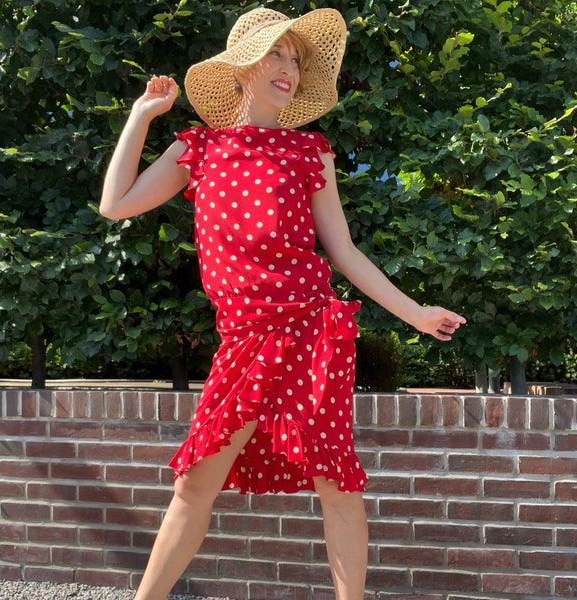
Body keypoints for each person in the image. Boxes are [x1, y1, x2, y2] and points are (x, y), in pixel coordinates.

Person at [100, 7, 466, 600]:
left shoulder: (309, 153)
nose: (287, 68)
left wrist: (415, 314)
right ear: (241, 68)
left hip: (309, 331)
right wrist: (141, 117)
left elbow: (343, 251)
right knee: (194, 486)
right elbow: (115, 204)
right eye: (275, 54)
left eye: (294, 59)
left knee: (337, 485)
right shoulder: (199, 148)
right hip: (243, 339)